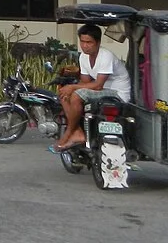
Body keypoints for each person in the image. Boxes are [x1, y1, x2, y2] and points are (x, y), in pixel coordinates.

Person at [53, 23, 132, 152]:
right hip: (101, 90)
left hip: (118, 94)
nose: (85, 46)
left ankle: (68, 133)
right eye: (82, 42)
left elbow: (98, 85)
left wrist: (72, 87)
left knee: (76, 94)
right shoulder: (84, 57)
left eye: (89, 42)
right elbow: (85, 82)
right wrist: (71, 87)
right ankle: (78, 132)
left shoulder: (106, 56)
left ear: (98, 42)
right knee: (64, 94)